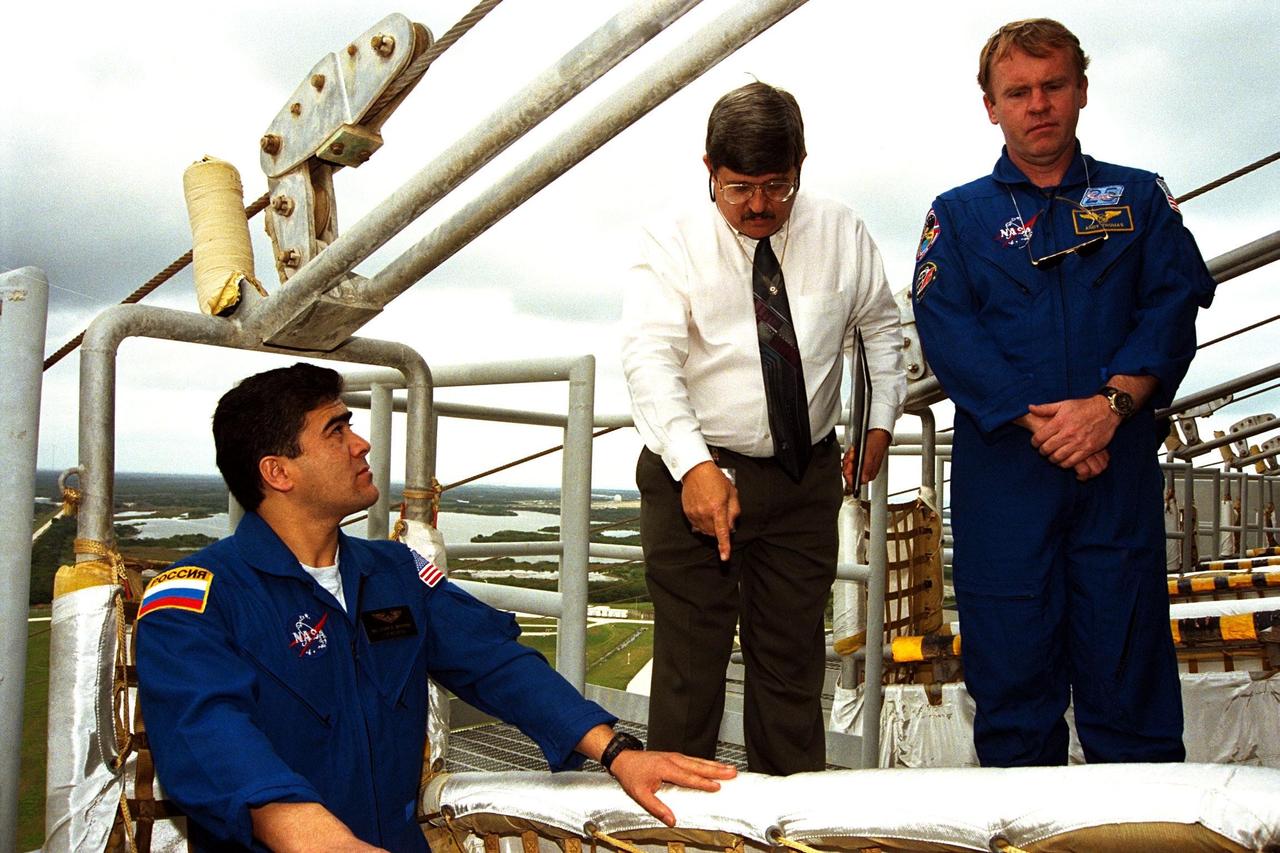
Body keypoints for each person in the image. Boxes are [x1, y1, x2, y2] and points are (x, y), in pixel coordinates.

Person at [135, 363, 736, 852]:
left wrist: (616, 752)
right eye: (336, 430)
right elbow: (206, 731)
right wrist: (311, 837)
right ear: (277, 472)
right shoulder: (196, 601)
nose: (361, 442)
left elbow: (495, 665)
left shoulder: (393, 573)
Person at [911, 18, 1216, 767]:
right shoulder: (957, 217)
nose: (1037, 103)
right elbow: (947, 329)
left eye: (1053, 86)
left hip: (1118, 474)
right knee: (1013, 685)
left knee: (1130, 672)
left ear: (1081, 90)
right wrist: (1045, 422)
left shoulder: (1140, 199)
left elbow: (1175, 302)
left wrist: (1108, 408)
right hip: (1006, 476)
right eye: (1018, 92)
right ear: (991, 106)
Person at [620, 82, 907, 774]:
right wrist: (693, 465)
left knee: (791, 670)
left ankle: (788, 831)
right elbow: (648, 358)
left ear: (802, 167)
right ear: (708, 170)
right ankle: (683, 838)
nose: (758, 205)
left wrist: (879, 421)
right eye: (739, 186)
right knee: (689, 671)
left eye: (777, 186)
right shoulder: (672, 240)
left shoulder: (841, 230)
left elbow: (880, 325)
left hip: (802, 475)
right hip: (694, 473)